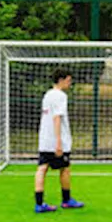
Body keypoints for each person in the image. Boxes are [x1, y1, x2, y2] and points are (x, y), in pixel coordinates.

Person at [34, 68, 84, 213]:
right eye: (69, 80)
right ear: (61, 80)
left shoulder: (47, 95)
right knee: (65, 168)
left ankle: (39, 203)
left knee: (42, 168)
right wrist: (59, 142)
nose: (70, 83)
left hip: (44, 139)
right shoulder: (60, 96)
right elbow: (56, 118)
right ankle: (67, 200)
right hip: (56, 140)